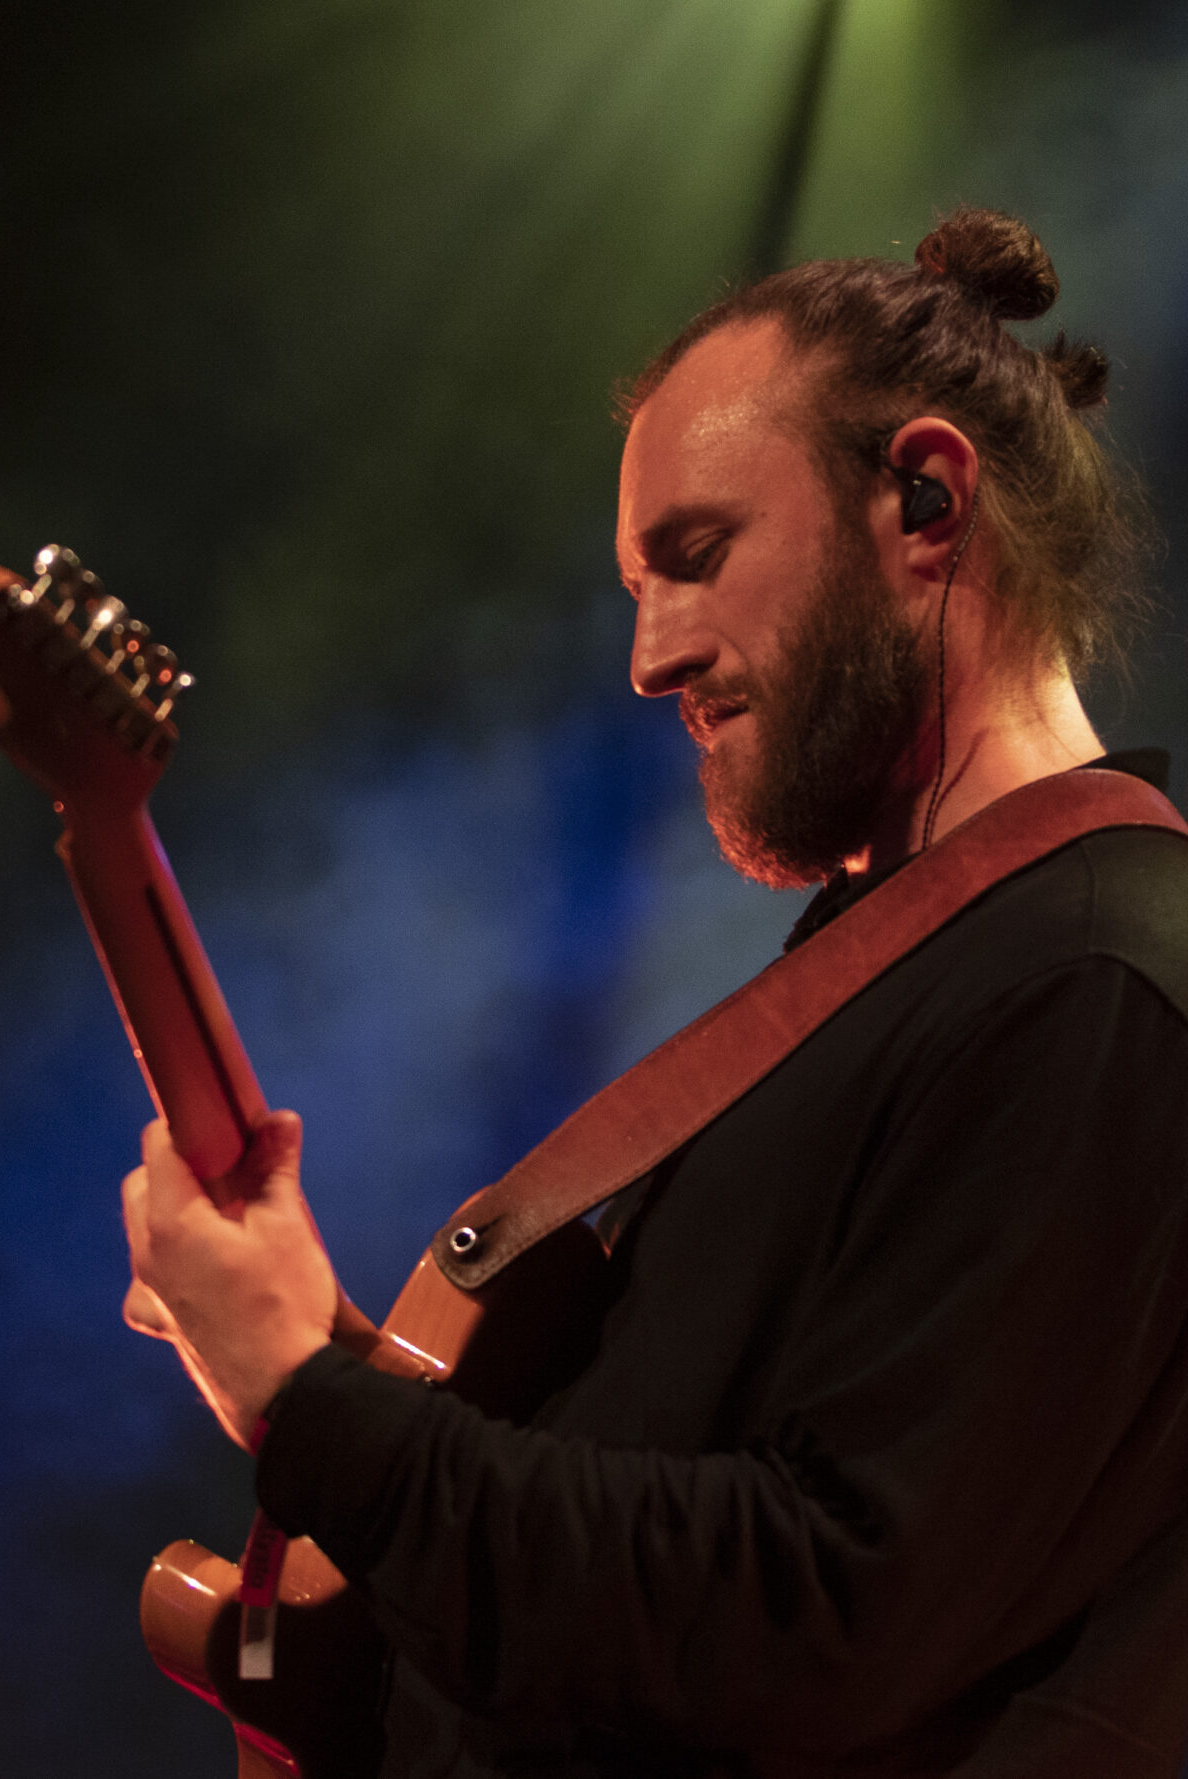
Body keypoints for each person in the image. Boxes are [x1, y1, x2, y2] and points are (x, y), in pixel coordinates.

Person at [121, 207, 1188, 1774]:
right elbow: (659, 1512)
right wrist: (317, 1366)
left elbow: (812, 1612)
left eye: (696, 557)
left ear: (928, 501)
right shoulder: (931, 962)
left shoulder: (1092, 981)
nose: (651, 658)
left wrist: (310, 1405)